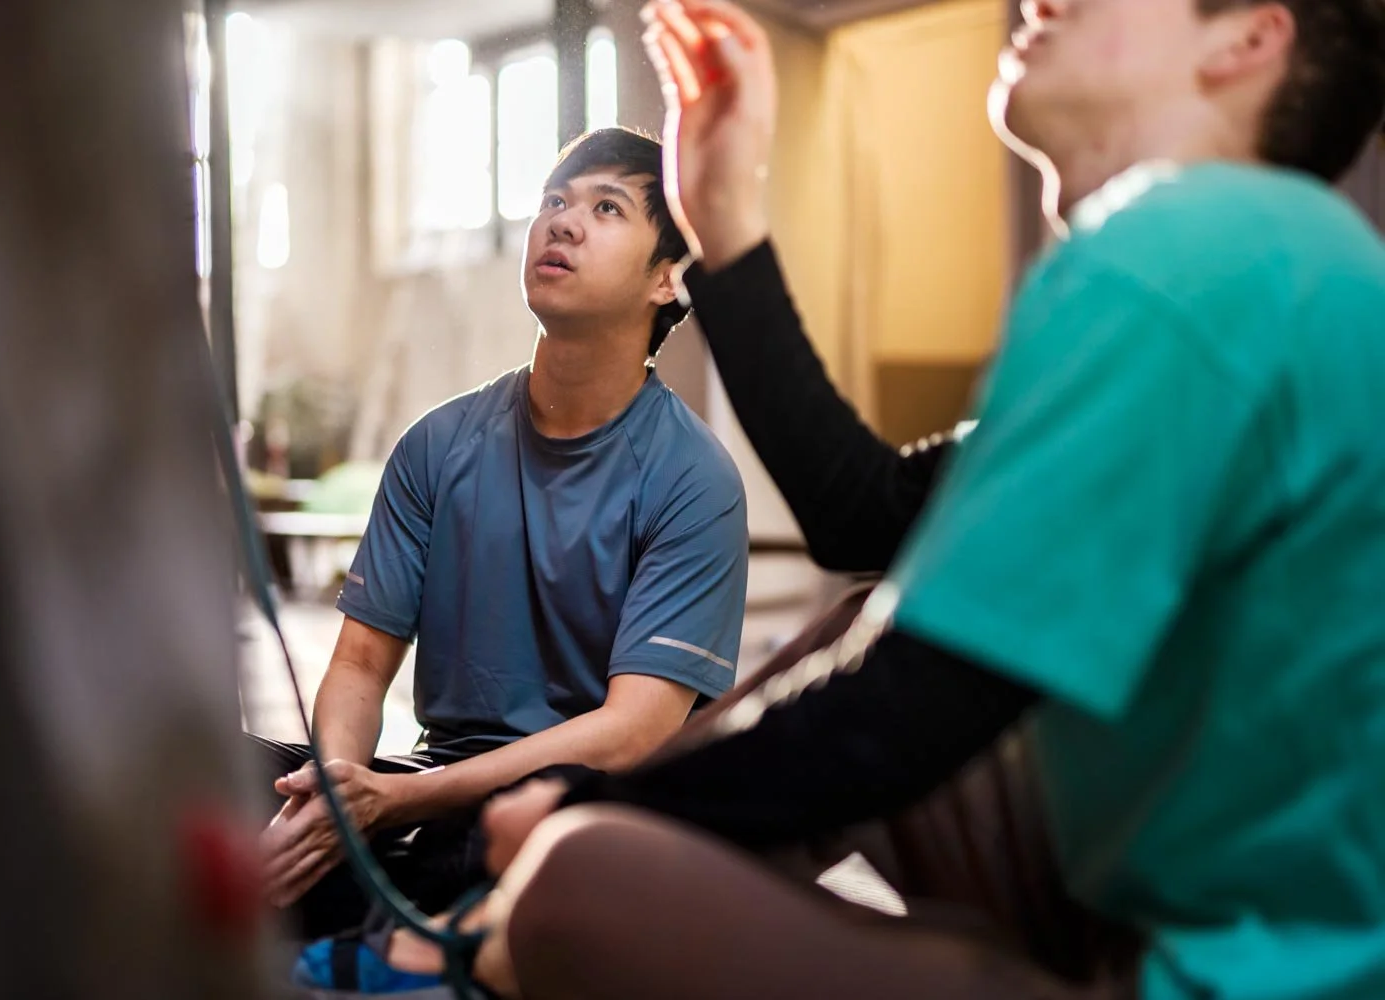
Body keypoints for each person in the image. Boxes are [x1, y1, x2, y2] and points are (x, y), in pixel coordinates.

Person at [356, 0, 1385, 996]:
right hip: (1152, 884)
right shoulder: (1269, 259)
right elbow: (872, 513)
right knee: (849, 637)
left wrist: (593, 811)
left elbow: (918, 701)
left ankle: (500, 923)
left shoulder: (1180, 252)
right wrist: (723, 214)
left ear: (1249, 38)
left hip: (1246, 966)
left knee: (581, 885)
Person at [251, 126, 749, 941]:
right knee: (215, 777)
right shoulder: (437, 445)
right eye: (554, 200)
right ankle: (409, 927)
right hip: (434, 787)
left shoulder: (693, 478)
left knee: (550, 845)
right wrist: (335, 796)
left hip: (583, 806)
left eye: (606, 208)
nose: (563, 222)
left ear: (667, 278)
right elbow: (360, 664)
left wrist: (398, 802)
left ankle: (396, 927)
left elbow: (632, 733)